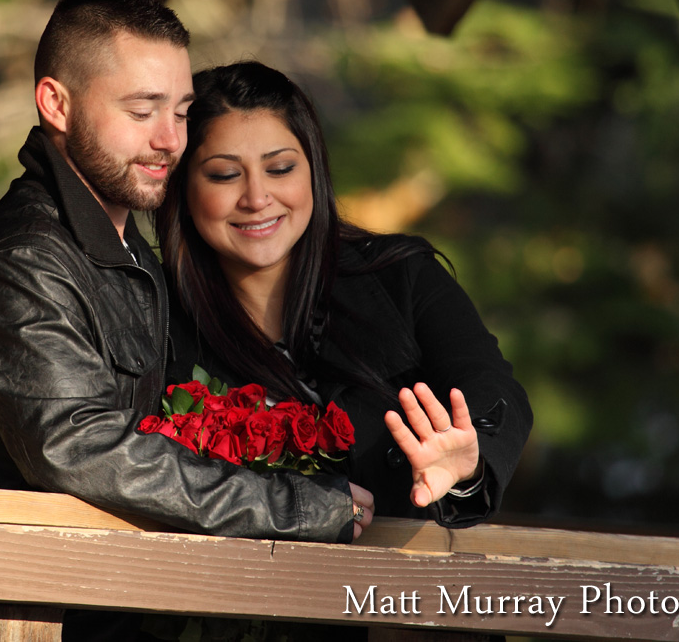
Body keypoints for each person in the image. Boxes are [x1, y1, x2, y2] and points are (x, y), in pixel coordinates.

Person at [0, 0, 372, 642]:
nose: (170, 139)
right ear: (56, 103)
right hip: (21, 622)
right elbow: (79, 447)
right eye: (142, 110)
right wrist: (291, 507)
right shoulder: (25, 257)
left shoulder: (131, 253)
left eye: (180, 110)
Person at [155, 61, 532, 526]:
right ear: (183, 190)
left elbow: (492, 387)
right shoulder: (154, 317)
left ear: (313, 172)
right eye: (224, 175)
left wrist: (465, 467)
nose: (256, 197)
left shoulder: (400, 276)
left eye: (280, 168)